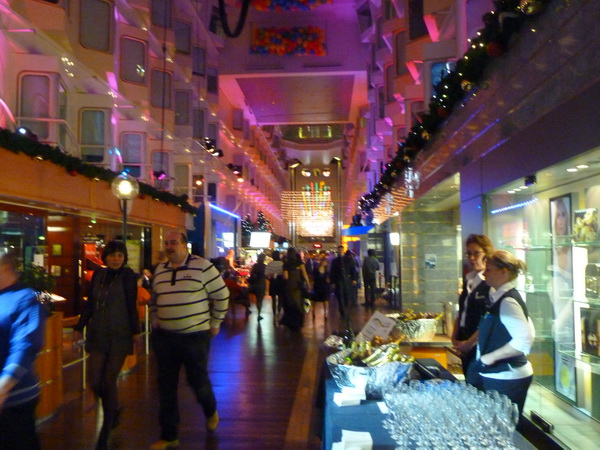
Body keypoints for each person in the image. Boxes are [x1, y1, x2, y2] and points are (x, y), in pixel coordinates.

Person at [149, 231, 229, 449]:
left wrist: (216, 322)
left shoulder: (202, 266)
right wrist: (155, 318)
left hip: (195, 336)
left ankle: (210, 409)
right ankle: (169, 435)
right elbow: (154, 299)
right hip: (165, 337)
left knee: (197, 381)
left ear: (185, 245)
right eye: (167, 243)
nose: (169, 246)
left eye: (173, 243)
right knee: (166, 386)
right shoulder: (160, 270)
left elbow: (222, 295)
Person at [73, 240, 140, 450]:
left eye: (120, 255)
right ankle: (114, 408)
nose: (116, 259)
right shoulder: (98, 275)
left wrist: (136, 332)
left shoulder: (128, 276)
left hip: (120, 333)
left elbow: (131, 304)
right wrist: (79, 327)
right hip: (98, 332)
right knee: (95, 381)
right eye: (112, 255)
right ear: (105, 257)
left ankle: (106, 427)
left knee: (108, 380)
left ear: (124, 257)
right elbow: (91, 304)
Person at [467, 250, 535, 425]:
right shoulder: (501, 298)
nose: (484, 274)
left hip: (507, 376)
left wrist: (489, 358)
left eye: (489, 269)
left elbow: (525, 339)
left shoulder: (507, 301)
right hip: (502, 374)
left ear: (503, 272)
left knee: (501, 429)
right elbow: (530, 329)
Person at [0, 252, 46, 450]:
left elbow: (24, 346)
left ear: (5, 268)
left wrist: (4, 386)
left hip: (15, 399)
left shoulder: (25, 298)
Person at [451, 234, 494, 376]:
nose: (472, 258)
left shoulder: (490, 282)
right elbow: (462, 311)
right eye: (469, 254)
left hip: (480, 343)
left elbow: (488, 320)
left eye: (476, 253)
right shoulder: (469, 279)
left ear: (487, 253)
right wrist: (454, 336)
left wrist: (469, 343)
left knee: (477, 381)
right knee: (468, 379)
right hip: (464, 340)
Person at [280, 247, 311, 331]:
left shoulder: (286, 264)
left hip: (289, 286)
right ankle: (299, 322)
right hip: (298, 285)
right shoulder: (299, 262)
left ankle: (291, 322)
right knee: (299, 303)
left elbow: (286, 277)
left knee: (290, 303)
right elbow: (304, 274)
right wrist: (308, 284)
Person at [330, 246, 358, 320]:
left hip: (347, 280)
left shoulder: (348, 259)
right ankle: (343, 313)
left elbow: (353, 269)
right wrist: (332, 282)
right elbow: (332, 272)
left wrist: (354, 279)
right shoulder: (335, 261)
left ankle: (345, 311)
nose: (340, 251)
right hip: (339, 280)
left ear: (343, 250)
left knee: (346, 296)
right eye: (339, 250)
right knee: (340, 296)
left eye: (341, 250)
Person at [265, 250, 285, 319]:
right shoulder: (282, 264)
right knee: (280, 299)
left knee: (273, 300)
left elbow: (266, 274)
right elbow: (284, 273)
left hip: (273, 282)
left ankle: (274, 314)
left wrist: (270, 278)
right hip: (281, 282)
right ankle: (279, 313)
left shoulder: (270, 264)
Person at [311, 251, 330, 320]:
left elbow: (329, 279)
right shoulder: (316, 270)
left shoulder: (327, 271)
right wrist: (311, 285)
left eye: (325, 262)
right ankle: (313, 312)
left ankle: (325, 314)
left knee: (325, 300)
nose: (323, 263)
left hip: (324, 287)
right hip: (317, 286)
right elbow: (313, 278)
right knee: (315, 300)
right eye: (323, 261)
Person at [248, 253, 267, 321]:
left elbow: (251, 274)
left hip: (253, 284)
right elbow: (267, 275)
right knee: (259, 300)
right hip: (261, 284)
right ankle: (259, 314)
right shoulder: (265, 267)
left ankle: (248, 309)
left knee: (249, 297)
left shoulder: (255, 266)